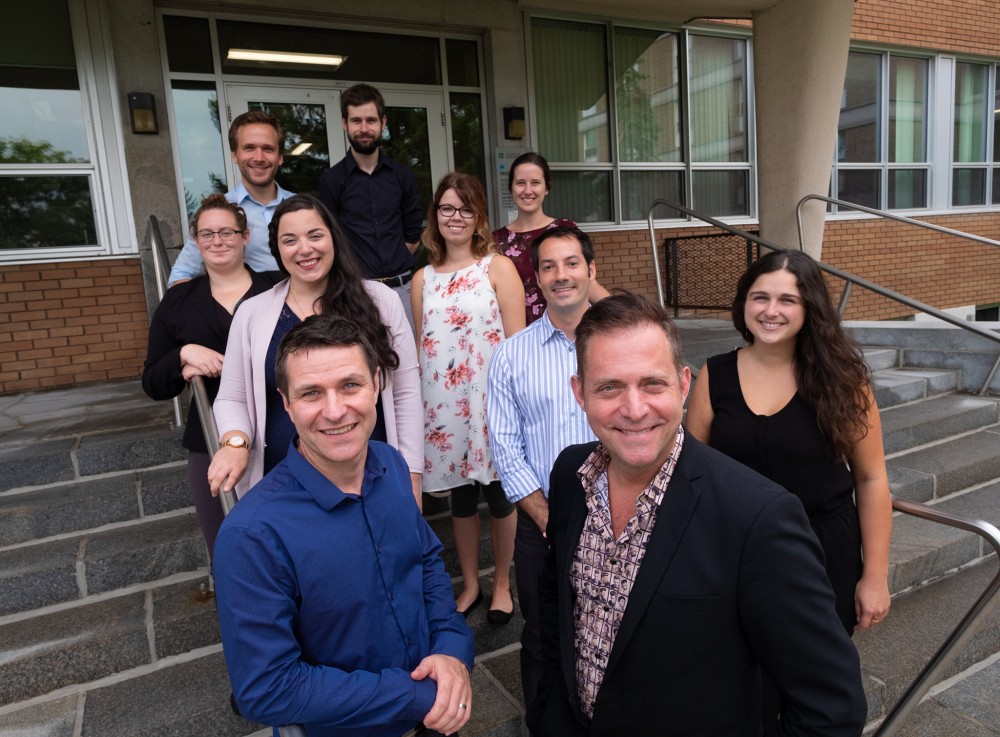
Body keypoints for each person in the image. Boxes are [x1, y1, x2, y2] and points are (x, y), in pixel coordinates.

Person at [528, 292, 867, 737]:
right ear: (579, 393)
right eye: (609, 387)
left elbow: (832, 708)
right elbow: (554, 610)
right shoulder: (571, 474)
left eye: (653, 384)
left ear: (684, 385)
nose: (634, 409)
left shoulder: (758, 518)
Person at [213, 315, 474, 737]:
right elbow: (265, 688)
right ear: (286, 403)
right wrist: (417, 696)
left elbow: (425, 563)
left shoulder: (390, 464)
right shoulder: (253, 536)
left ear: (376, 383)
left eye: (350, 385)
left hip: (438, 711)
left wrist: (452, 651)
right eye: (312, 393)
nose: (334, 411)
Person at [685, 249, 892, 731]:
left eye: (787, 299)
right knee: (743, 683)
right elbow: (691, 476)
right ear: (743, 304)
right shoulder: (713, 375)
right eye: (760, 297)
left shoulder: (843, 380)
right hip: (734, 554)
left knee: (815, 687)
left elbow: (871, 477)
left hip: (824, 554)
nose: (771, 310)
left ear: (809, 309)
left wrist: (875, 576)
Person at [208, 194, 422, 506]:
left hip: (373, 478)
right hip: (285, 486)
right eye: (289, 240)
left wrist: (411, 475)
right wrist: (235, 442)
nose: (305, 249)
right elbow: (231, 397)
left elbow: (406, 393)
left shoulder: (380, 301)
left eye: (315, 235)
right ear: (277, 250)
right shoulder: (252, 314)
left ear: (334, 238)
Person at [485, 224, 598, 709]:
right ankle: (547, 716)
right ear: (537, 279)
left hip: (624, 512)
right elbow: (505, 445)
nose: (561, 275)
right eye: (548, 266)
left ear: (591, 271)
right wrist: (545, 515)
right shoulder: (511, 356)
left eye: (571, 263)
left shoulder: (626, 341)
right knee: (543, 628)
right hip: (543, 521)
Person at [142, 194, 281, 558]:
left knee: (289, 542)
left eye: (226, 232)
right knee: (228, 546)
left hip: (283, 431)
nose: (217, 241)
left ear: (245, 236)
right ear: (196, 241)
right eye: (206, 234)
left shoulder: (278, 286)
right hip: (211, 439)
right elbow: (153, 381)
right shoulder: (179, 300)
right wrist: (183, 354)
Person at [412, 172, 524, 621]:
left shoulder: (497, 267)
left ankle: (501, 583)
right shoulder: (422, 278)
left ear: (478, 216)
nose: (455, 217)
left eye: (465, 208)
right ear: (435, 215)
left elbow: (517, 346)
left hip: (491, 403)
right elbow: (424, 348)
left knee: (500, 497)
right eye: (446, 208)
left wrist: (515, 406)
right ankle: (471, 584)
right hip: (444, 409)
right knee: (460, 500)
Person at [317, 83, 423, 328]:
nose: (363, 129)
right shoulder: (331, 181)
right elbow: (330, 239)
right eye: (356, 121)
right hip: (357, 293)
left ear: (382, 122)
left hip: (403, 291)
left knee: (410, 363)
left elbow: (412, 237)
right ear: (345, 124)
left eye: (370, 120)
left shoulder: (402, 176)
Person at [168, 111, 293, 285]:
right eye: (249, 148)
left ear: (280, 157)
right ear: (235, 155)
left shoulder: (303, 208)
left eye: (268, 149)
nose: (259, 158)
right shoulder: (219, 213)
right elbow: (182, 273)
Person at [492, 152, 609, 324]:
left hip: (568, 327)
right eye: (520, 183)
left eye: (535, 183)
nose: (528, 190)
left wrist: (624, 315)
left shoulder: (565, 230)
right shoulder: (495, 242)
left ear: (547, 188)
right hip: (517, 332)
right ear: (510, 187)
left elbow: (589, 284)